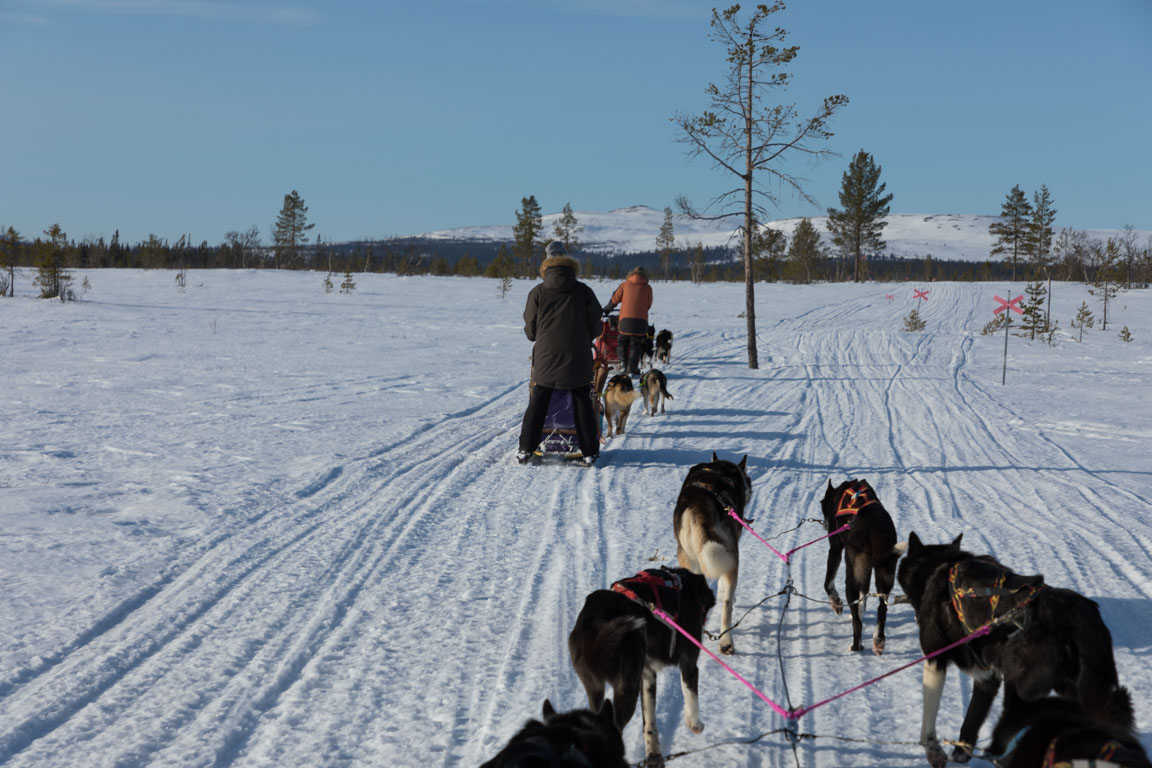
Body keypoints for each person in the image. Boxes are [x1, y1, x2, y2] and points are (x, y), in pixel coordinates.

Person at [518, 241, 603, 466]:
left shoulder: (537, 292)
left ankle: (526, 449)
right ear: (568, 262)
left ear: (546, 263)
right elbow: (597, 327)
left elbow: (531, 331)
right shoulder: (584, 291)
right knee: (582, 401)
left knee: (538, 402)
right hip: (578, 359)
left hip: (546, 359)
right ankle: (589, 451)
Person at [603, 266, 652, 376]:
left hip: (625, 321)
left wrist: (607, 309)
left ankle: (623, 365)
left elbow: (615, 299)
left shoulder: (625, 285)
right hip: (641, 321)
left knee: (622, 342)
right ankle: (632, 368)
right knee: (636, 344)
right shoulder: (648, 288)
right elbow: (648, 305)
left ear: (631, 274)